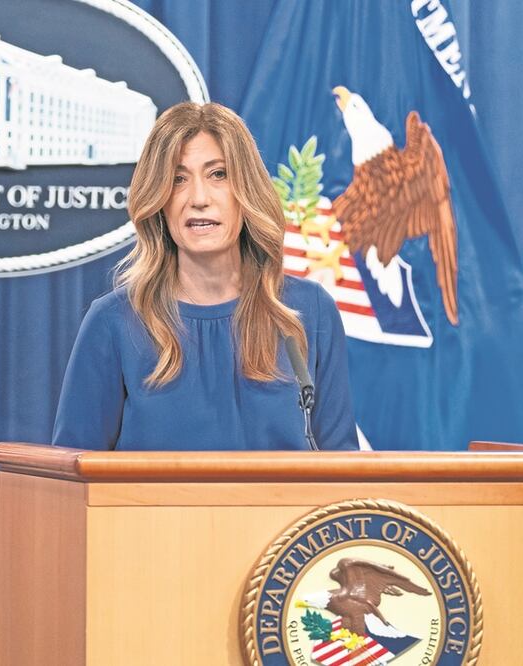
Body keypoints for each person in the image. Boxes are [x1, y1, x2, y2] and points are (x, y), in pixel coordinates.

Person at [53, 103, 359, 451]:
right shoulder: (113, 322)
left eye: (219, 175)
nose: (199, 198)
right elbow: (73, 484)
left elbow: (341, 472)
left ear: (247, 191)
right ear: (159, 199)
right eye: (178, 179)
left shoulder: (308, 311)